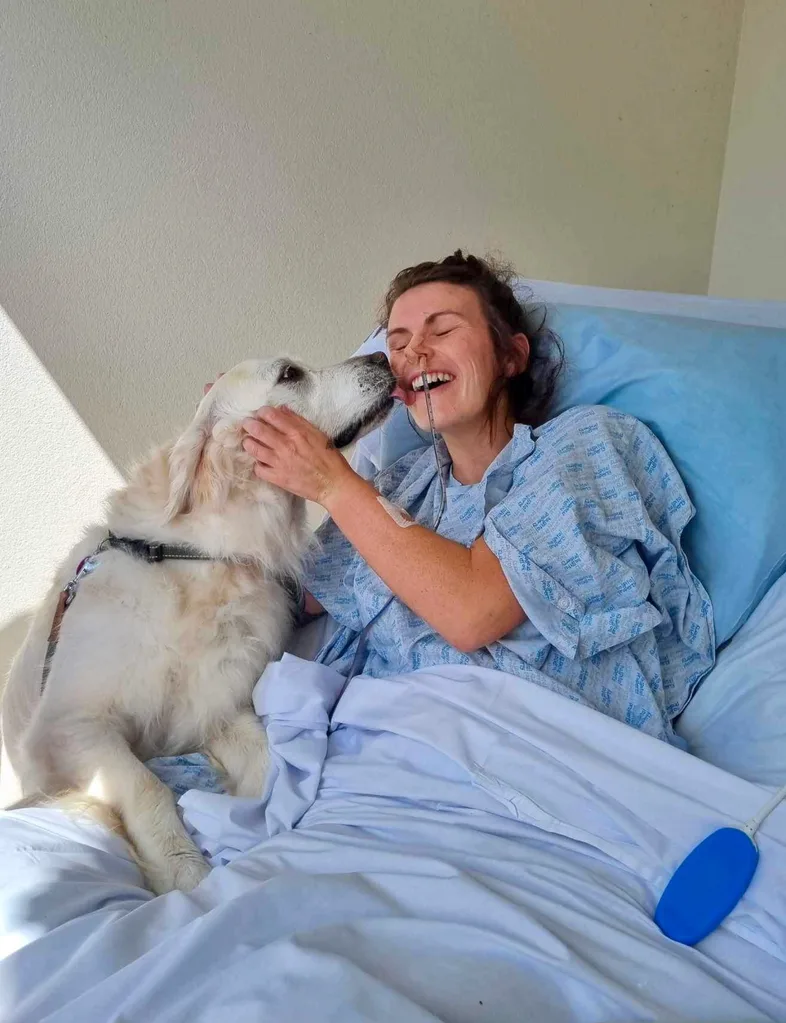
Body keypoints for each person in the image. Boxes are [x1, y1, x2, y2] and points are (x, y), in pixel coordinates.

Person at [241, 251, 714, 743]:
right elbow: (281, 599)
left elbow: (473, 613)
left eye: (441, 331)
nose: (414, 353)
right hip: (381, 748)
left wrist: (331, 483)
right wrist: (240, 452)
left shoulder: (586, 444)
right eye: (398, 344)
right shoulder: (396, 487)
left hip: (537, 755)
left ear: (512, 355)